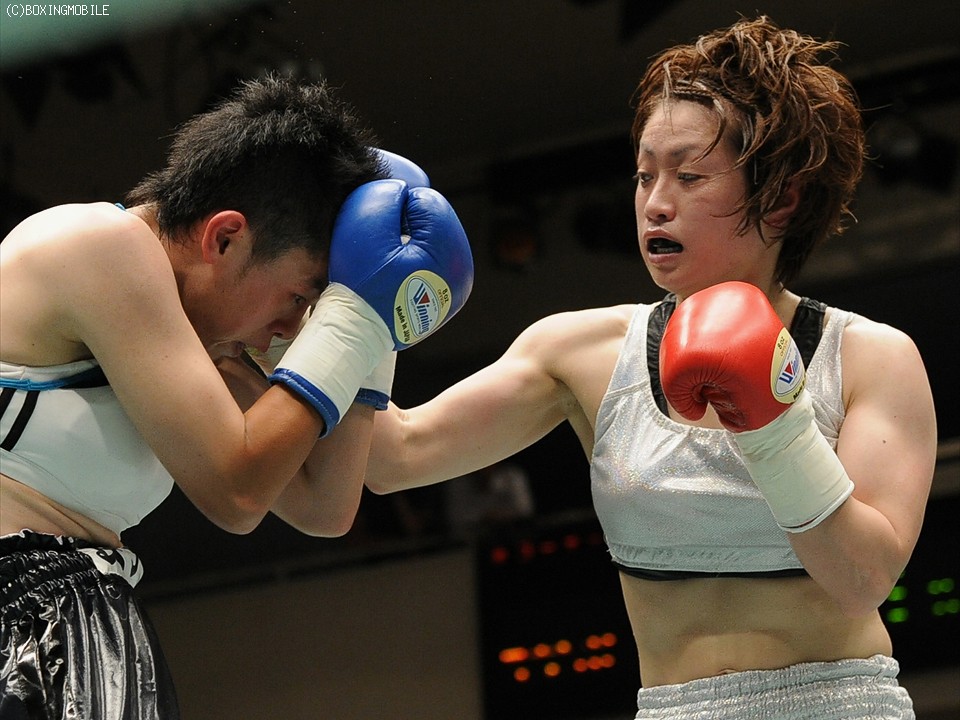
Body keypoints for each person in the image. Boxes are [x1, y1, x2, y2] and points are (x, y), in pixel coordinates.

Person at [364, 16, 937, 719]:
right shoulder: (580, 352)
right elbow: (391, 458)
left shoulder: (870, 357)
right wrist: (353, 313)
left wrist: (774, 426)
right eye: (644, 176)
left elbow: (863, 581)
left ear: (781, 198)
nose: (655, 203)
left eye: (689, 176)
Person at [0, 73, 473, 719]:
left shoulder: (195, 345)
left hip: (68, 617)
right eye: (300, 296)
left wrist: (374, 332)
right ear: (224, 237)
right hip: (22, 613)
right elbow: (239, 491)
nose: (293, 326)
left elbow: (326, 505)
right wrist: (355, 319)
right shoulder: (95, 245)